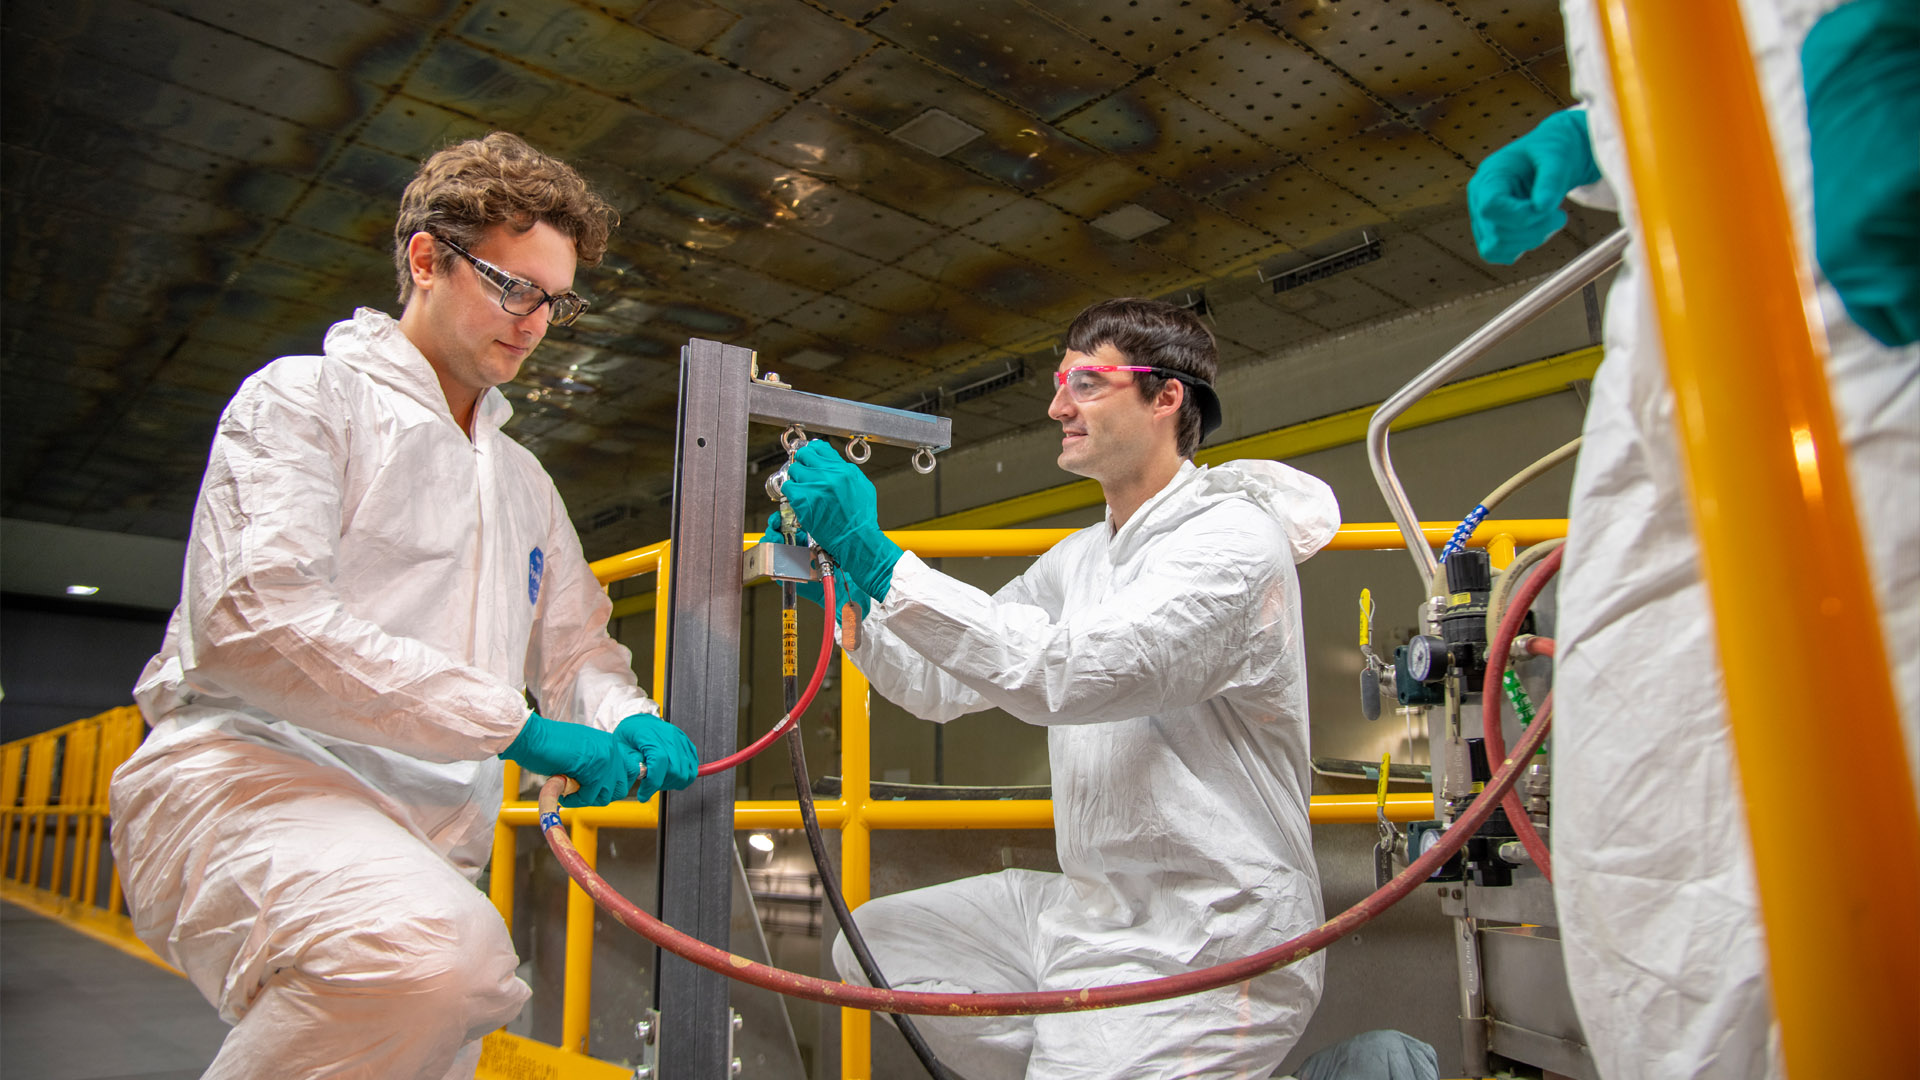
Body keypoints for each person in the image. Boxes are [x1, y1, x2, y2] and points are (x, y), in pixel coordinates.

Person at [107, 132, 699, 1080]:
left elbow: (578, 646)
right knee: (428, 959)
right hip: (249, 778)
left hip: (427, 836)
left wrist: (626, 717)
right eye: (515, 287)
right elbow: (256, 621)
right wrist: (517, 731)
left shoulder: (522, 481)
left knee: (438, 982)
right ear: (426, 258)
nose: (536, 321)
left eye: (555, 299)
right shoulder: (306, 401)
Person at [1466, 2, 1918, 1077]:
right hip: (1679, 288)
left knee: (1883, 726)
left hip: (1853, 243)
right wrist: (1593, 137)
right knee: (1643, 818)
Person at [772, 298, 1341, 1079]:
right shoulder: (1082, 558)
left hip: (1212, 933)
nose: (1056, 406)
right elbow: (942, 682)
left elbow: (1061, 673)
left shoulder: (1233, 543)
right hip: (1093, 912)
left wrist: (876, 556)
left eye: (1085, 382)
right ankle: (1077, 1057)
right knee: (878, 944)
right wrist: (852, 600)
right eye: (1058, 381)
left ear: (1166, 396)